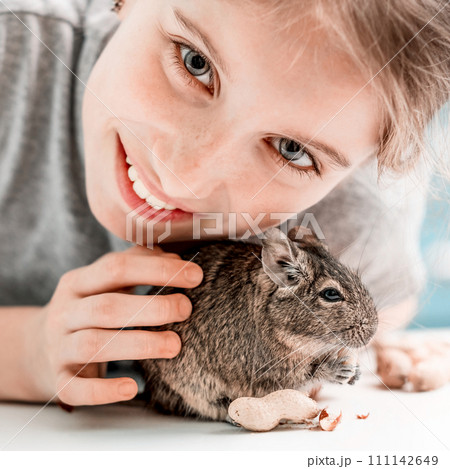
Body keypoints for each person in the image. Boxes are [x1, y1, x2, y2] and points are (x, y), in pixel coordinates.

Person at [0, 0, 448, 407]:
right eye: (195, 63)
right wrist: (27, 351)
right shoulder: (13, 52)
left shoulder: (355, 217)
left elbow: (374, 322)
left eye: (291, 148)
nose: (185, 176)